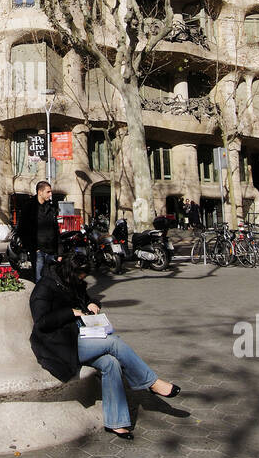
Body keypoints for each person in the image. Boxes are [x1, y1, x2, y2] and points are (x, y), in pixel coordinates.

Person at [29, 255, 180, 440]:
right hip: (57, 345)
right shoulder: (45, 286)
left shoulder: (72, 281)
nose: (82, 279)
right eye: (81, 276)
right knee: (113, 343)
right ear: (71, 272)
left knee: (110, 363)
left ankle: (116, 423)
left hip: (80, 336)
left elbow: (84, 300)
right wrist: (70, 312)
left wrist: (93, 304)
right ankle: (151, 383)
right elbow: (42, 322)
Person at [16, 180, 58, 281]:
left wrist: (59, 251)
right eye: (48, 192)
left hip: (51, 250)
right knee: (39, 280)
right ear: (40, 192)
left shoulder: (51, 207)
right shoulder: (29, 207)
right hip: (38, 251)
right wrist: (32, 248)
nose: (50, 194)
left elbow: (56, 230)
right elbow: (22, 228)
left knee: (52, 280)